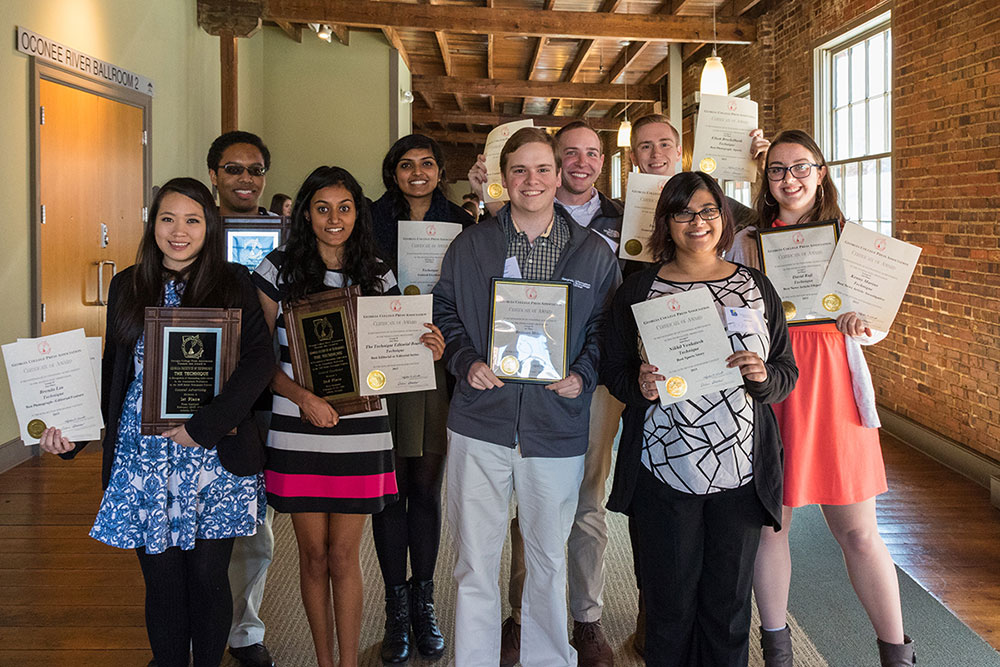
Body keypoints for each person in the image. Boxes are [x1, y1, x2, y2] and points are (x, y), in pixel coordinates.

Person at [39, 177, 274, 667]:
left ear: (209, 225)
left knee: (209, 578)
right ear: (153, 224)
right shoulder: (128, 282)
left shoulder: (234, 281)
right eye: (168, 219)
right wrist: (72, 436)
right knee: (162, 580)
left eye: (192, 220)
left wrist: (202, 428)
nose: (179, 231)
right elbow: (114, 372)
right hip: (143, 454)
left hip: (213, 451)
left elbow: (258, 363)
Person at [434, 127, 621, 667]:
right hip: (479, 423)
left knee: (547, 559)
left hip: (555, 424)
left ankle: (547, 659)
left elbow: (605, 330)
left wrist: (583, 376)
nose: (531, 180)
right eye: (519, 170)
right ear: (503, 177)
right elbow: (444, 310)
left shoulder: (593, 253)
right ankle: (474, 659)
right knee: (475, 560)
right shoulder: (471, 244)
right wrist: (465, 362)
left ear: (559, 176)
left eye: (543, 169)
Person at [728, 130, 916, 667]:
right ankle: (778, 650)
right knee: (772, 524)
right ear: (765, 178)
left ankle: (897, 653)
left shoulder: (851, 238)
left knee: (858, 532)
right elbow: (731, 313)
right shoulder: (747, 241)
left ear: (821, 171)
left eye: (801, 167)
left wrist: (864, 324)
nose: (790, 179)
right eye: (778, 170)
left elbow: (876, 321)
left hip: (835, 388)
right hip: (773, 390)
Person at [603, 171, 798, 666]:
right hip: (664, 469)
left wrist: (761, 376)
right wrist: (641, 385)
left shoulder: (755, 287)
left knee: (729, 607)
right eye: (684, 212)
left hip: (740, 469)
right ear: (665, 223)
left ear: (724, 218)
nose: (698, 221)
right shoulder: (637, 291)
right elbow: (615, 371)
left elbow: (785, 374)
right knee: (669, 606)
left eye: (709, 210)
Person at [252, 166, 443, 667]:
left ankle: (348, 664)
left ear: (359, 213)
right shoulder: (276, 270)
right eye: (322, 208)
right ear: (305, 214)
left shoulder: (377, 271)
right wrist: (302, 397)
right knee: (313, 557)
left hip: (361, 428)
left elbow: (393, 347)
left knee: (345, 557)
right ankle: (322, 660)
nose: (334, 219)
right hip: (299, 425)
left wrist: (426, 348)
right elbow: (257, 357)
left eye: (345, 208)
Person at [368, 134, 471, 663]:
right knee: (390, 488)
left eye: (426, 164)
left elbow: (476, 292)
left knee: (425, 487)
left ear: (440, 171)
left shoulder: (464, 224)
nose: (416, 173)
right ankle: (394, 605)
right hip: (383, 360)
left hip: (436, 363)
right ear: (393, 172)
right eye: (406, 165)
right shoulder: (369, 221)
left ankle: (423, 599)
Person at [207, 129, 278, 667]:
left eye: (255, 170)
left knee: (253, 530)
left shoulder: (283, 239)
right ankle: (193, 633)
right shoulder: (189, 233)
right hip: (194, 399)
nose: (245, 179)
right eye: (234, 169)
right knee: (191, 531)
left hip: (259, 397)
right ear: (215, 175)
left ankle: (244, 633)